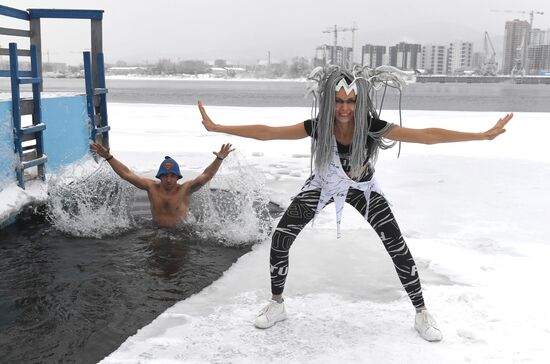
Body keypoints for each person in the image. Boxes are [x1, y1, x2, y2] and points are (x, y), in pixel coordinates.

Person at [197, 66, 512, 342]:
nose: (344, 107)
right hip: (322, 184)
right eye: (339, 100)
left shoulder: (373, 126)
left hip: (362, 189)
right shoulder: (320, 125)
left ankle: (421, 312)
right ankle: (277, 304)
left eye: (350, 101)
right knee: (280, 239)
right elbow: (269, 133)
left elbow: (427, 135)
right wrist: (219, 127)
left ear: (359, 102)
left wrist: (482, 135)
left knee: (397, 247)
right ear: (329, 101)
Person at [91, 143, 234, 227]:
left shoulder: (185, 189)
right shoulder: (151, 187)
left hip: (181, 233)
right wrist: (109, 157)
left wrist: (219, 158)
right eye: (165, 175)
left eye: (172, 175)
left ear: (178, 177)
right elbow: (126, 174)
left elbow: (206, 176)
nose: (169, 179)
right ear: (160, 176)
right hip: (156, 231)